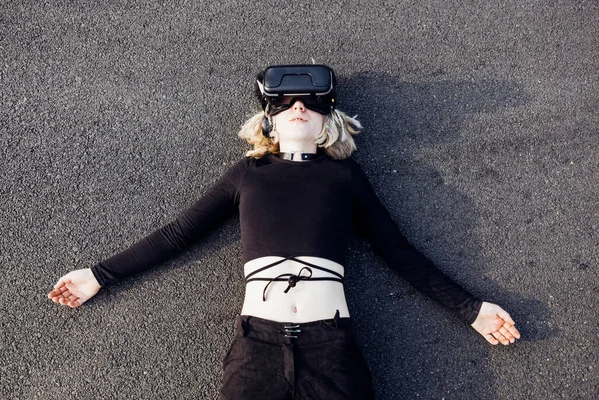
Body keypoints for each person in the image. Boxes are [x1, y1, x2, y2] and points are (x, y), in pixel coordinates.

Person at [48, 64, 521, 399]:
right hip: (257, 347)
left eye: (310, 104)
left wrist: (469, 309)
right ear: (268, 119)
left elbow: (396, 250)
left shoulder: (345, 177)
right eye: (287, 102)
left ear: (327, 122)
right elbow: (178, 234)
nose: (298, 106)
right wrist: (98, 275)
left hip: (332, 346)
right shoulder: (247, 174)